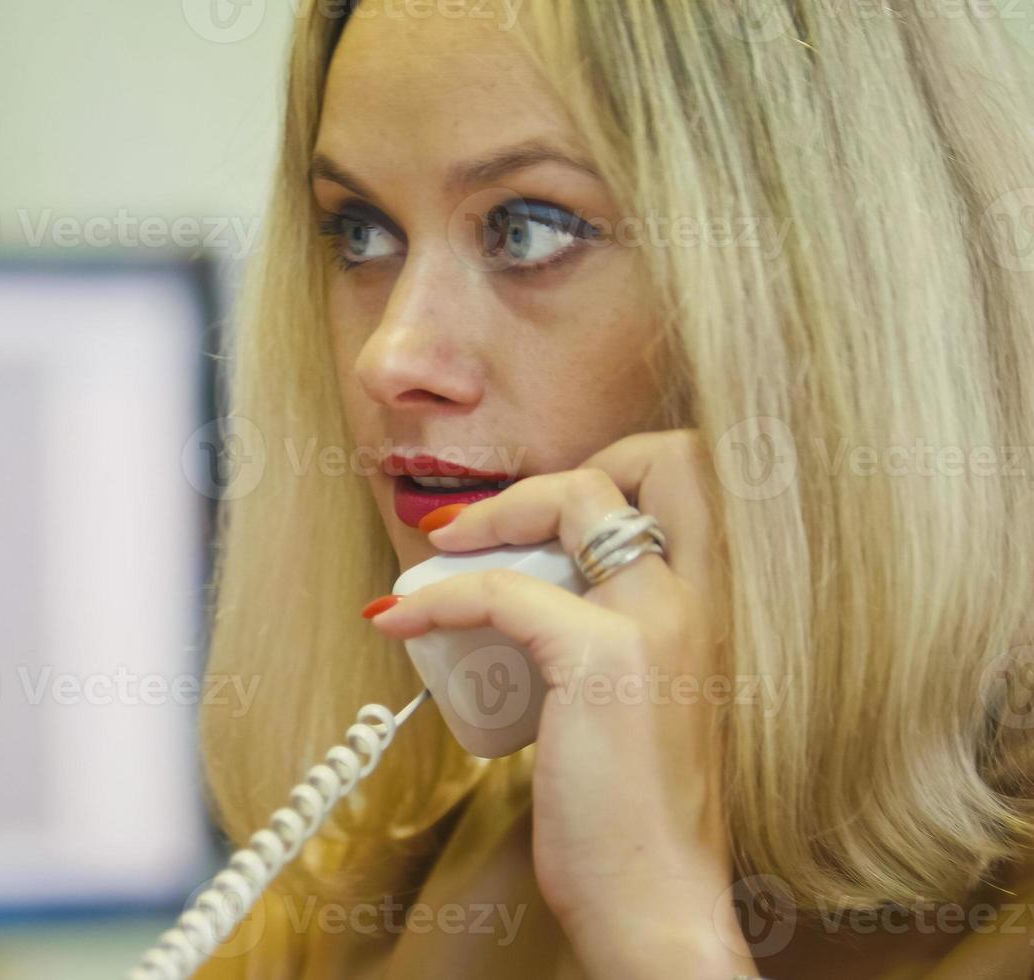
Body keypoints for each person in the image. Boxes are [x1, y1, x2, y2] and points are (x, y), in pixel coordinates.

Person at [196, 1, 1034, 976]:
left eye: (526, 228)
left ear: (829, 293)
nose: (391, 357)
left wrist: (658, 934)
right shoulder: (377, 879)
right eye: (360, 232)